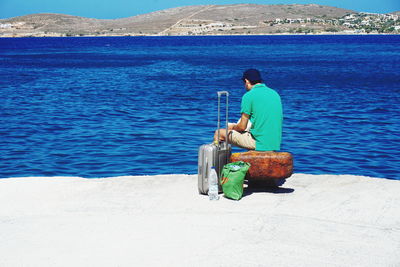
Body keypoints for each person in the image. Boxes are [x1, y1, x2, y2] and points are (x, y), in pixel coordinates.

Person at [214, 69, 283, 151]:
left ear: (246, 81)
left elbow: (242, 127)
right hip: (274, 143)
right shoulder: (274, 94)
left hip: (259, 143)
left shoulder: (248, 96)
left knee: (219, 133)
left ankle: (217, 163)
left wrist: (232, 127)